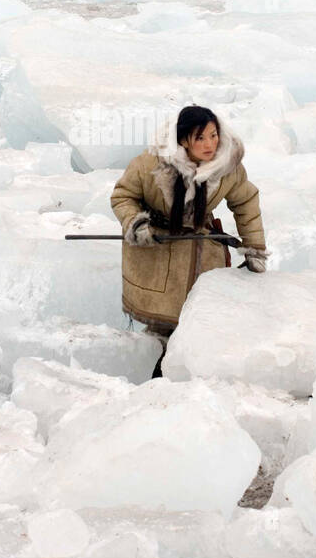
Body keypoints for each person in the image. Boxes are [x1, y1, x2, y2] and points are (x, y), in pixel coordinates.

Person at [110, 106, 267, 374]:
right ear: (183, 141)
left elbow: (246, 201)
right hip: (157, 252)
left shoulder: (228, 166)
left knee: (199, 317)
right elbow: (123, 196)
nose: (210, 144)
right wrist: (135, 222)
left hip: (202, 250)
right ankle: (156, 379)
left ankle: (194, 379)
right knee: (164, 324)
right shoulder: (150, 164)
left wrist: (254, 247)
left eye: (214, 135)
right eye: (200, 138)